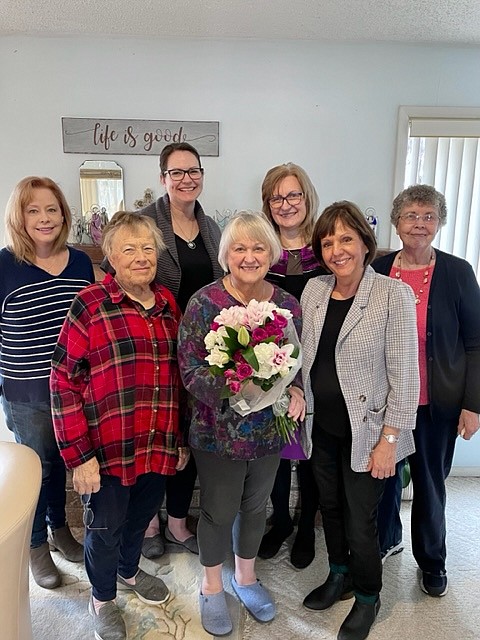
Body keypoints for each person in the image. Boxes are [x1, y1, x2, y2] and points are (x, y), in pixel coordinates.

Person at [50, 212, 187, 640]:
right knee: (105, 528)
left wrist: (179, 439)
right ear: (110, 256)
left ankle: (129, 572)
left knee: (141, 516)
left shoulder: (167, 304)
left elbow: (180, 378)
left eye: (148, 248)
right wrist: (79, 457)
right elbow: (63, 381)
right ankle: (102, 597)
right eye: (129, 249)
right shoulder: (90, 304)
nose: (141, 257)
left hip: (156, 441)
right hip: (106, 449)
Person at [178, 211, 306, 636]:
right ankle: (212, 584)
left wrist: (296, 391)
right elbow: (191, 371)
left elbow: (296, 365)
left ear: (271, 254)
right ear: (225, 254)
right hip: (217, 431)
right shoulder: (204, 303)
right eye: (240, 248)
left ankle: (245, 577)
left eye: (258, 248)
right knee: (217, 511)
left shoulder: (286, 306)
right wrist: (239, 389)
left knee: (255, 507)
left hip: (269, 432)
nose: (249, 256)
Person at [301, 201, 419, 640]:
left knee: (360, 521)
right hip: (323, 428)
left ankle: (368, 596)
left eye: (346, 238)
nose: (337, 249)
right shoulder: (314, 291)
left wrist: (390, 441)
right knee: (329, 509)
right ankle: (340, 574)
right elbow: (302, 358)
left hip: (371, 434)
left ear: (365, 244)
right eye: (328, 241)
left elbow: (407, 379)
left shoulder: (392, 295)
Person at [374, 185, 480, 597]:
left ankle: (432, 559)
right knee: (382, 480)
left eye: (429, 216)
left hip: (438, 404)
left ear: (439, 223)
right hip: (386, 404)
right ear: (397, 222)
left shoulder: (457, 272)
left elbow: (475, 342)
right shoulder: (379, 270)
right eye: (412, 215)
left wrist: (473, 405)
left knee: (430, 483)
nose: (420, 223)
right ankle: (386, 539)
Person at [0, 176, 94, 589]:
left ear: (63, 214)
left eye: (51, 209)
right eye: (32, 210)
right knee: (34, 472)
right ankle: (36, 548)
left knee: (60, 466)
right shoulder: (4, 265)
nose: (43, 218)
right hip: (27, 394)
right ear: (18, 217)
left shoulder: (81, 263)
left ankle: (61, 532)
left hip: (73, 394)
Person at [139, 142, 223, 558]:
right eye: (177, 172)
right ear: (163, 178)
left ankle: (176, 521)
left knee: (186, 435)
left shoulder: (212, 229)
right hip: (155, 345)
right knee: (157, 430)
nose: (187, 179)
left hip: (202, 352)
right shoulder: (145, 224)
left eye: (193, 171)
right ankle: (149, 522)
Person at [258, 162, 325, 569]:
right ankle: (279, 520)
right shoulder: (263, 250)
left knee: (312, 452)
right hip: (275, 365)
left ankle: (304, 527)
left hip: (319, 363)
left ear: (306, 197)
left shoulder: (325, 246)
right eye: (277, 197)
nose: (285, 204)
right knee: (279, 451)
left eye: (293, 195)